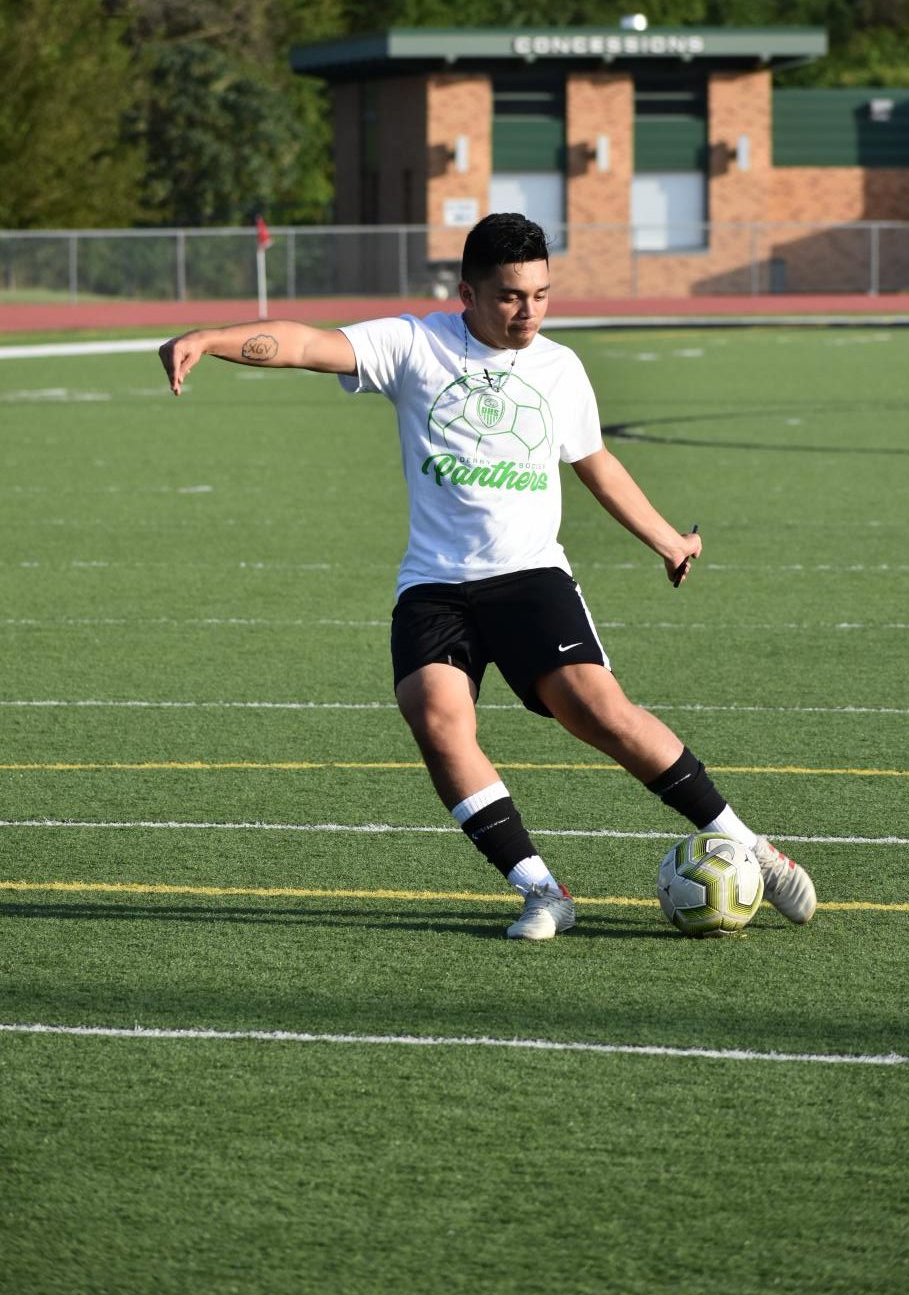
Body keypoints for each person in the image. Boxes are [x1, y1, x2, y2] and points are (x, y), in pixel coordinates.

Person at [159, 212, 816, 940]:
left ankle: (751, 845)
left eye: (539, 293)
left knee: (600, 713)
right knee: (436, 719)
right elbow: (310, 344)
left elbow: (594, 461)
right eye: (509, 296)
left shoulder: (559, 368)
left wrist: (664, 538)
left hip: (530, 576)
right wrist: (210, 339)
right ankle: (542, 889)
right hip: (434, 585)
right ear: (467, 293)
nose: (527, 310)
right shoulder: (414, 344)